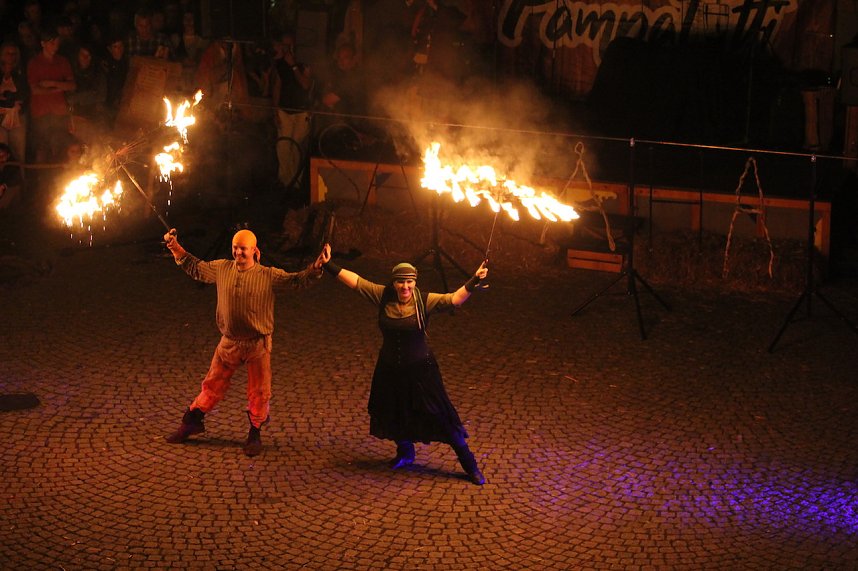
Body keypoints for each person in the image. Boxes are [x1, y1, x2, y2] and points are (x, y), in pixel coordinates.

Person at [162, 228, 331, 457]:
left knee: (259, 391)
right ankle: (193, 421)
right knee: (212, 384)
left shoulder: (268, 276)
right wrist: (175, 246)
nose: (238, 252)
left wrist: (316, 267)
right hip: (228, 343)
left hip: (257, 345)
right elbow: (196, 268)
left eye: (243, 248)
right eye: (235, 247)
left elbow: (296, 281)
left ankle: (255, 431)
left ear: (255, 250)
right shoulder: (222, 268)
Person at [323, 257, 489, 485]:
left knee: (441, 415)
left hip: (421, 372)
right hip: (390, 369)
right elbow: (356, 282)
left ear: (415, 283)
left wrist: (473, 280)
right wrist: (328, 265)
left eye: (409, 282)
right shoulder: (383, 296)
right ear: (394, 284)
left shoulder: (424, 301)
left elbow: (455, 299)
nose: (405, 287)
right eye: (401, 283)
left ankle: (470, 465)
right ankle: (405, 453)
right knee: (395, 410)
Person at [27, 26, 76, 164]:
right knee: (41, 148)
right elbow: (35, 90)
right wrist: (59, 88)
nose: (55, 46)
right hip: (40, 112)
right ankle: (42, 180)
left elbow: (72, 85)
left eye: (57, 43)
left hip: (59, 112)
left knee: (59, 147)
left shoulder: (62, 61)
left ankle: (57, 180)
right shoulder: (34, 63)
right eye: (52, 43)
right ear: (43, 43)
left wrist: (50, 83)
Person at [270, 30, 312, 190]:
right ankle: (285, 181)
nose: (287, 48)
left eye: (289, 45)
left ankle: (296, 183)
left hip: (301, 113)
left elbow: (305, 85)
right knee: (283, 146)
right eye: (284, 45)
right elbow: (277, 87)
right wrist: (275, 111)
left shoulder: (302, 64)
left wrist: (293, 66)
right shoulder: (279, 65)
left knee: (295, 148)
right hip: (284, 111)